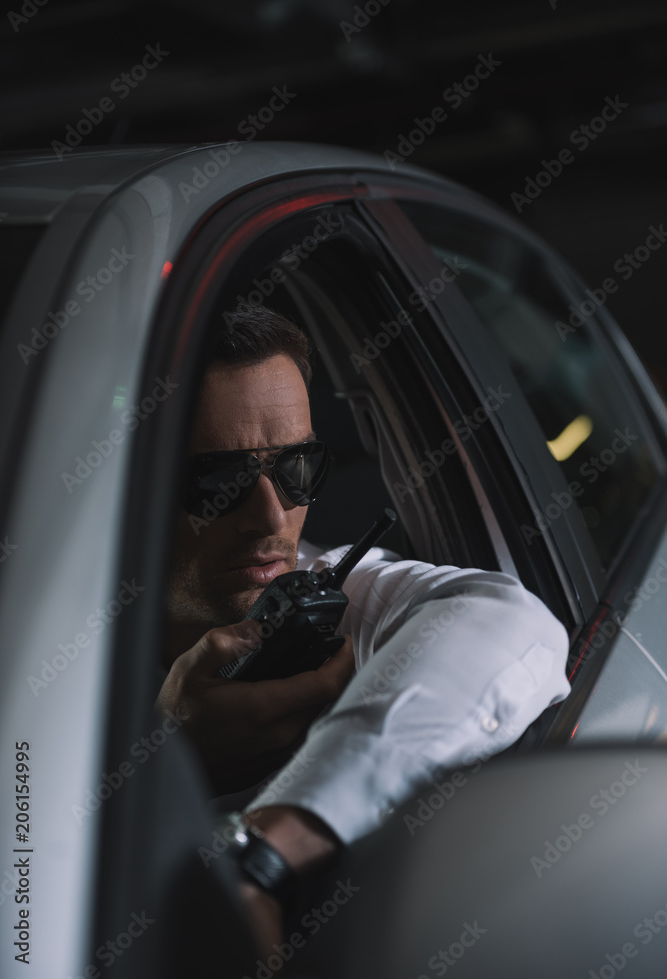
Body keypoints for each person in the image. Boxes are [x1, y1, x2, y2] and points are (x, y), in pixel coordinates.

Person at [156, 306, 570, 953]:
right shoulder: (41, 653)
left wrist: (265, 854)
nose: (271, 518)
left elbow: (514, 624)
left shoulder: (336, 594)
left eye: (297, 468)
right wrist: (166, 759)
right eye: (218, 481)